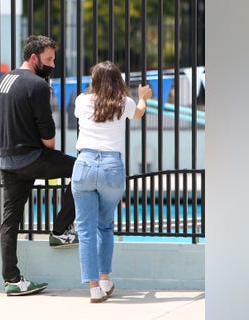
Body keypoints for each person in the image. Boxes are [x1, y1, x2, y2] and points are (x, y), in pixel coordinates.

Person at [0, 35, 79, 296]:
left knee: (10, 220)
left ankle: (12, 279)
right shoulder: (38, 86)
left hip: (7, 160)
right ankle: (60, 231)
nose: (53, 64)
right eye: (49, 59)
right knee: (82, 169)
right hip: (32, 158)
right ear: (34, 58)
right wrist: (46, 96)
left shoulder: (5, 80)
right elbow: (49, 140)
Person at [72, 61, 152, 303]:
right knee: (105, 226)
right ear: (118, 80)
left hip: (84, 164)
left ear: (94, 80)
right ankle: (105, 279)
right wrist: (142, 97)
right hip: (111, 167)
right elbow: (139, 112)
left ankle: (94, 288)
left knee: (85, 231)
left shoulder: (81, 100)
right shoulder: (123, 103)